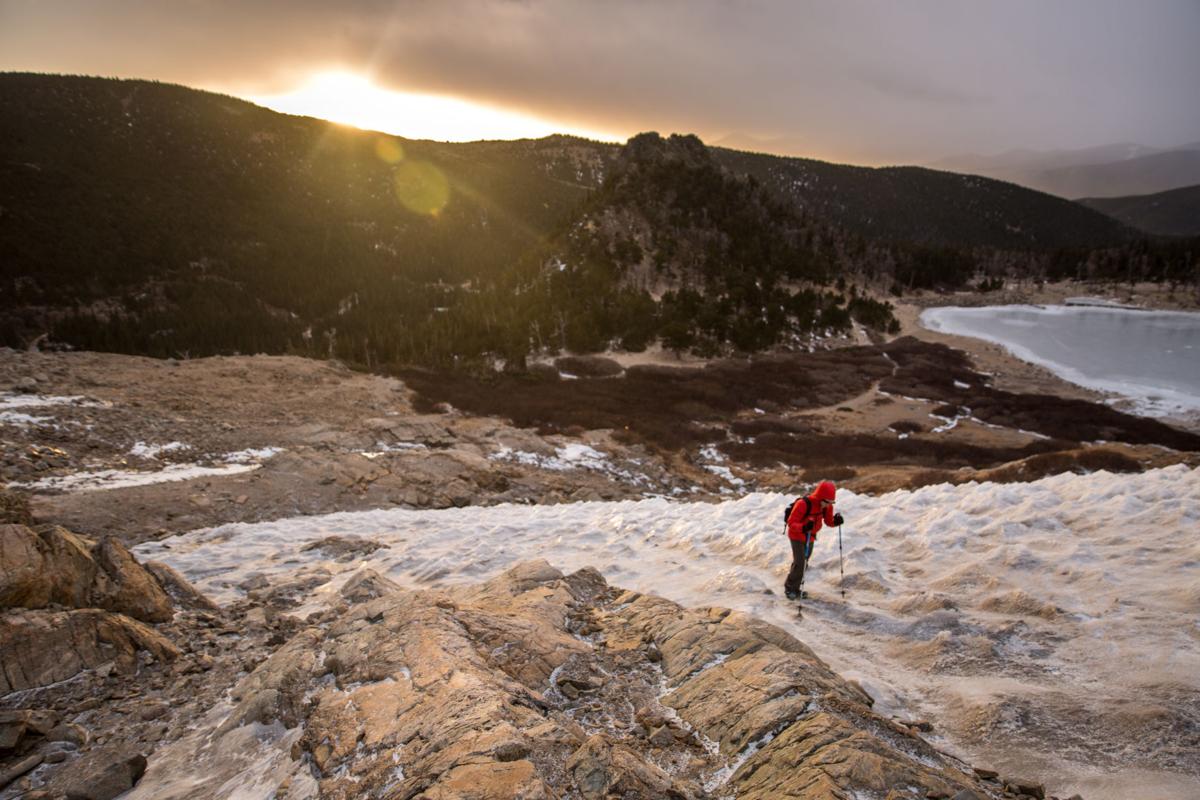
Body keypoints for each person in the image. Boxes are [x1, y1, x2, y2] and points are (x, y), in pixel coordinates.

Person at [784, 480, 844, 600]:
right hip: (796, 536)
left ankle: (794, 586)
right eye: (827, 502)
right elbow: (791, 522)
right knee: (800, 562)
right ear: (820, 497)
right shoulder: (803, 504)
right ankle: (791, 588)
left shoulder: (827, 506)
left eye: (831, 502)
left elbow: (828, 521)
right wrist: (804, 527)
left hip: (810, 536)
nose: (829, 505)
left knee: (803, 562)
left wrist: (836, 522)